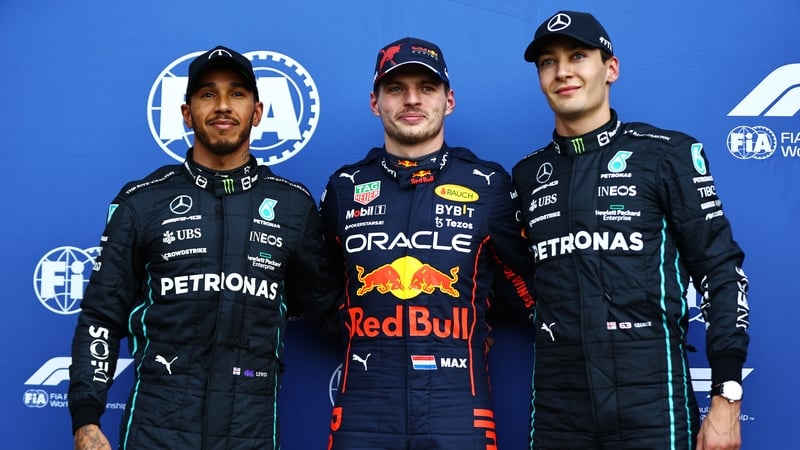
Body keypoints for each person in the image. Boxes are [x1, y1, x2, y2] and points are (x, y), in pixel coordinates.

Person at [68, 45, 340, 450]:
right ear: (186, 113)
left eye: (237, 94)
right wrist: (86, 420)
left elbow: (332, 309)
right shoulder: (143, 202)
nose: (223, 106)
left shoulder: (292, 207)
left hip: (249, 432)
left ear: (258, 112)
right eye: (208, 94)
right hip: (154, 430)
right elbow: (101, 316)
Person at [513, 10, 750, 450]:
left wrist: (727, 399)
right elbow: (515, 273)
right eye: (548, 61)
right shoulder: (527, 175)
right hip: (558, 407)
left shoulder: (667, 154)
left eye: (578, 56)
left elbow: (721, 272)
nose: (562, 71)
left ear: (611, 68)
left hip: (652, 402)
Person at [320, 36, 535, 449]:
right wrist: (358, 326)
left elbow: (524, 281)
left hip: (458, 407)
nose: (412, 100)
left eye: (427, 88)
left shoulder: (488, 185)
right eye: (396, 89)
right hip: (365, 405)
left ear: (448, 100)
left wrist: (474, 324)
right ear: (374, 101)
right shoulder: (345, 187)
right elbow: (319, 281)